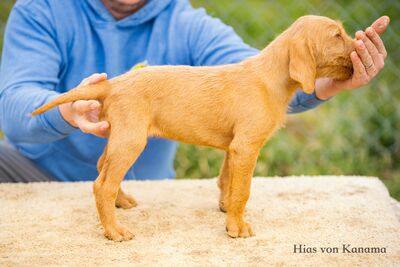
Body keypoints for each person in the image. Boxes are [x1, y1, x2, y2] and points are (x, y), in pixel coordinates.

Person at [0, 0, 389, 182]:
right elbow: (15, 111)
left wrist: (330, 80)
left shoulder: (186, 23)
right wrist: (66, 112)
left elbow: (266, 81)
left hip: (147, 192)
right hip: (37, 173)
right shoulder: (41, 10)